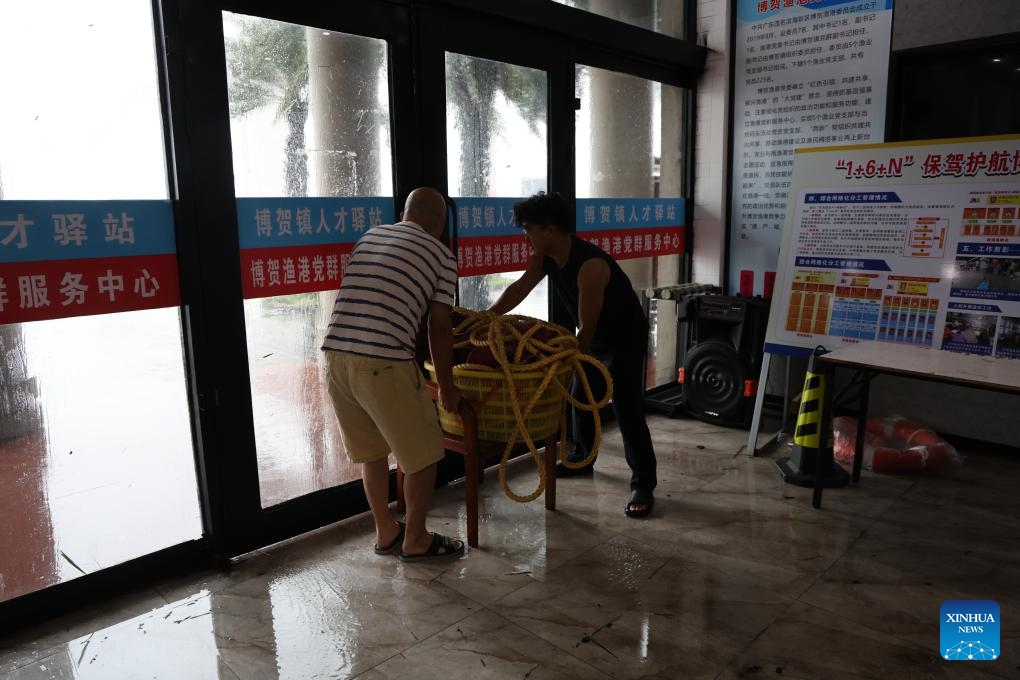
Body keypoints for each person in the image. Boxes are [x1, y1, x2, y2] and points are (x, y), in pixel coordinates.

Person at [488, 191, 657, 518]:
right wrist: (487, 317)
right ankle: (581, 460)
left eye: (529, 229)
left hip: (624, 338)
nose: (525, 237)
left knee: (627, 410)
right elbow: (520, 287)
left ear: (550, 229)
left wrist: (566, 363)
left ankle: (643, 483)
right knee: (580, 398)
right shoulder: (545, 257)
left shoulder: (590, 265)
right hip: (595, 336)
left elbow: (587, 327)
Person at [322, 187, 466, 561]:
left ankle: (385, 531)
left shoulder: (370, 237)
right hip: (383, 361)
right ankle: (415, 540)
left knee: (371, 453)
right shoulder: (442, 256)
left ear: (404, 214)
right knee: (424, 456)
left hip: (335, 358)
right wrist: (446, 386)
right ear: (440, 223)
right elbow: (439, 325)